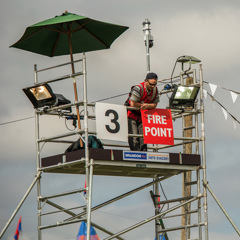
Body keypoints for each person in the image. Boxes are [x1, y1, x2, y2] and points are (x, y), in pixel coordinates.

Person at [125, 72, 159, 151]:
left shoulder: (155, 90)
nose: (152, 86)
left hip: (143, 116)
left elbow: (155, 104)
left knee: (143, 138)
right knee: (133, 137)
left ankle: (144, 155)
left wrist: (147, 106)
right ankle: (135, 155)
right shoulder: (138, 88)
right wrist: (143, 105)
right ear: (146, 81)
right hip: (131, 114)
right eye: (151, 84)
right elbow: (132, 103)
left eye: (154, 84)